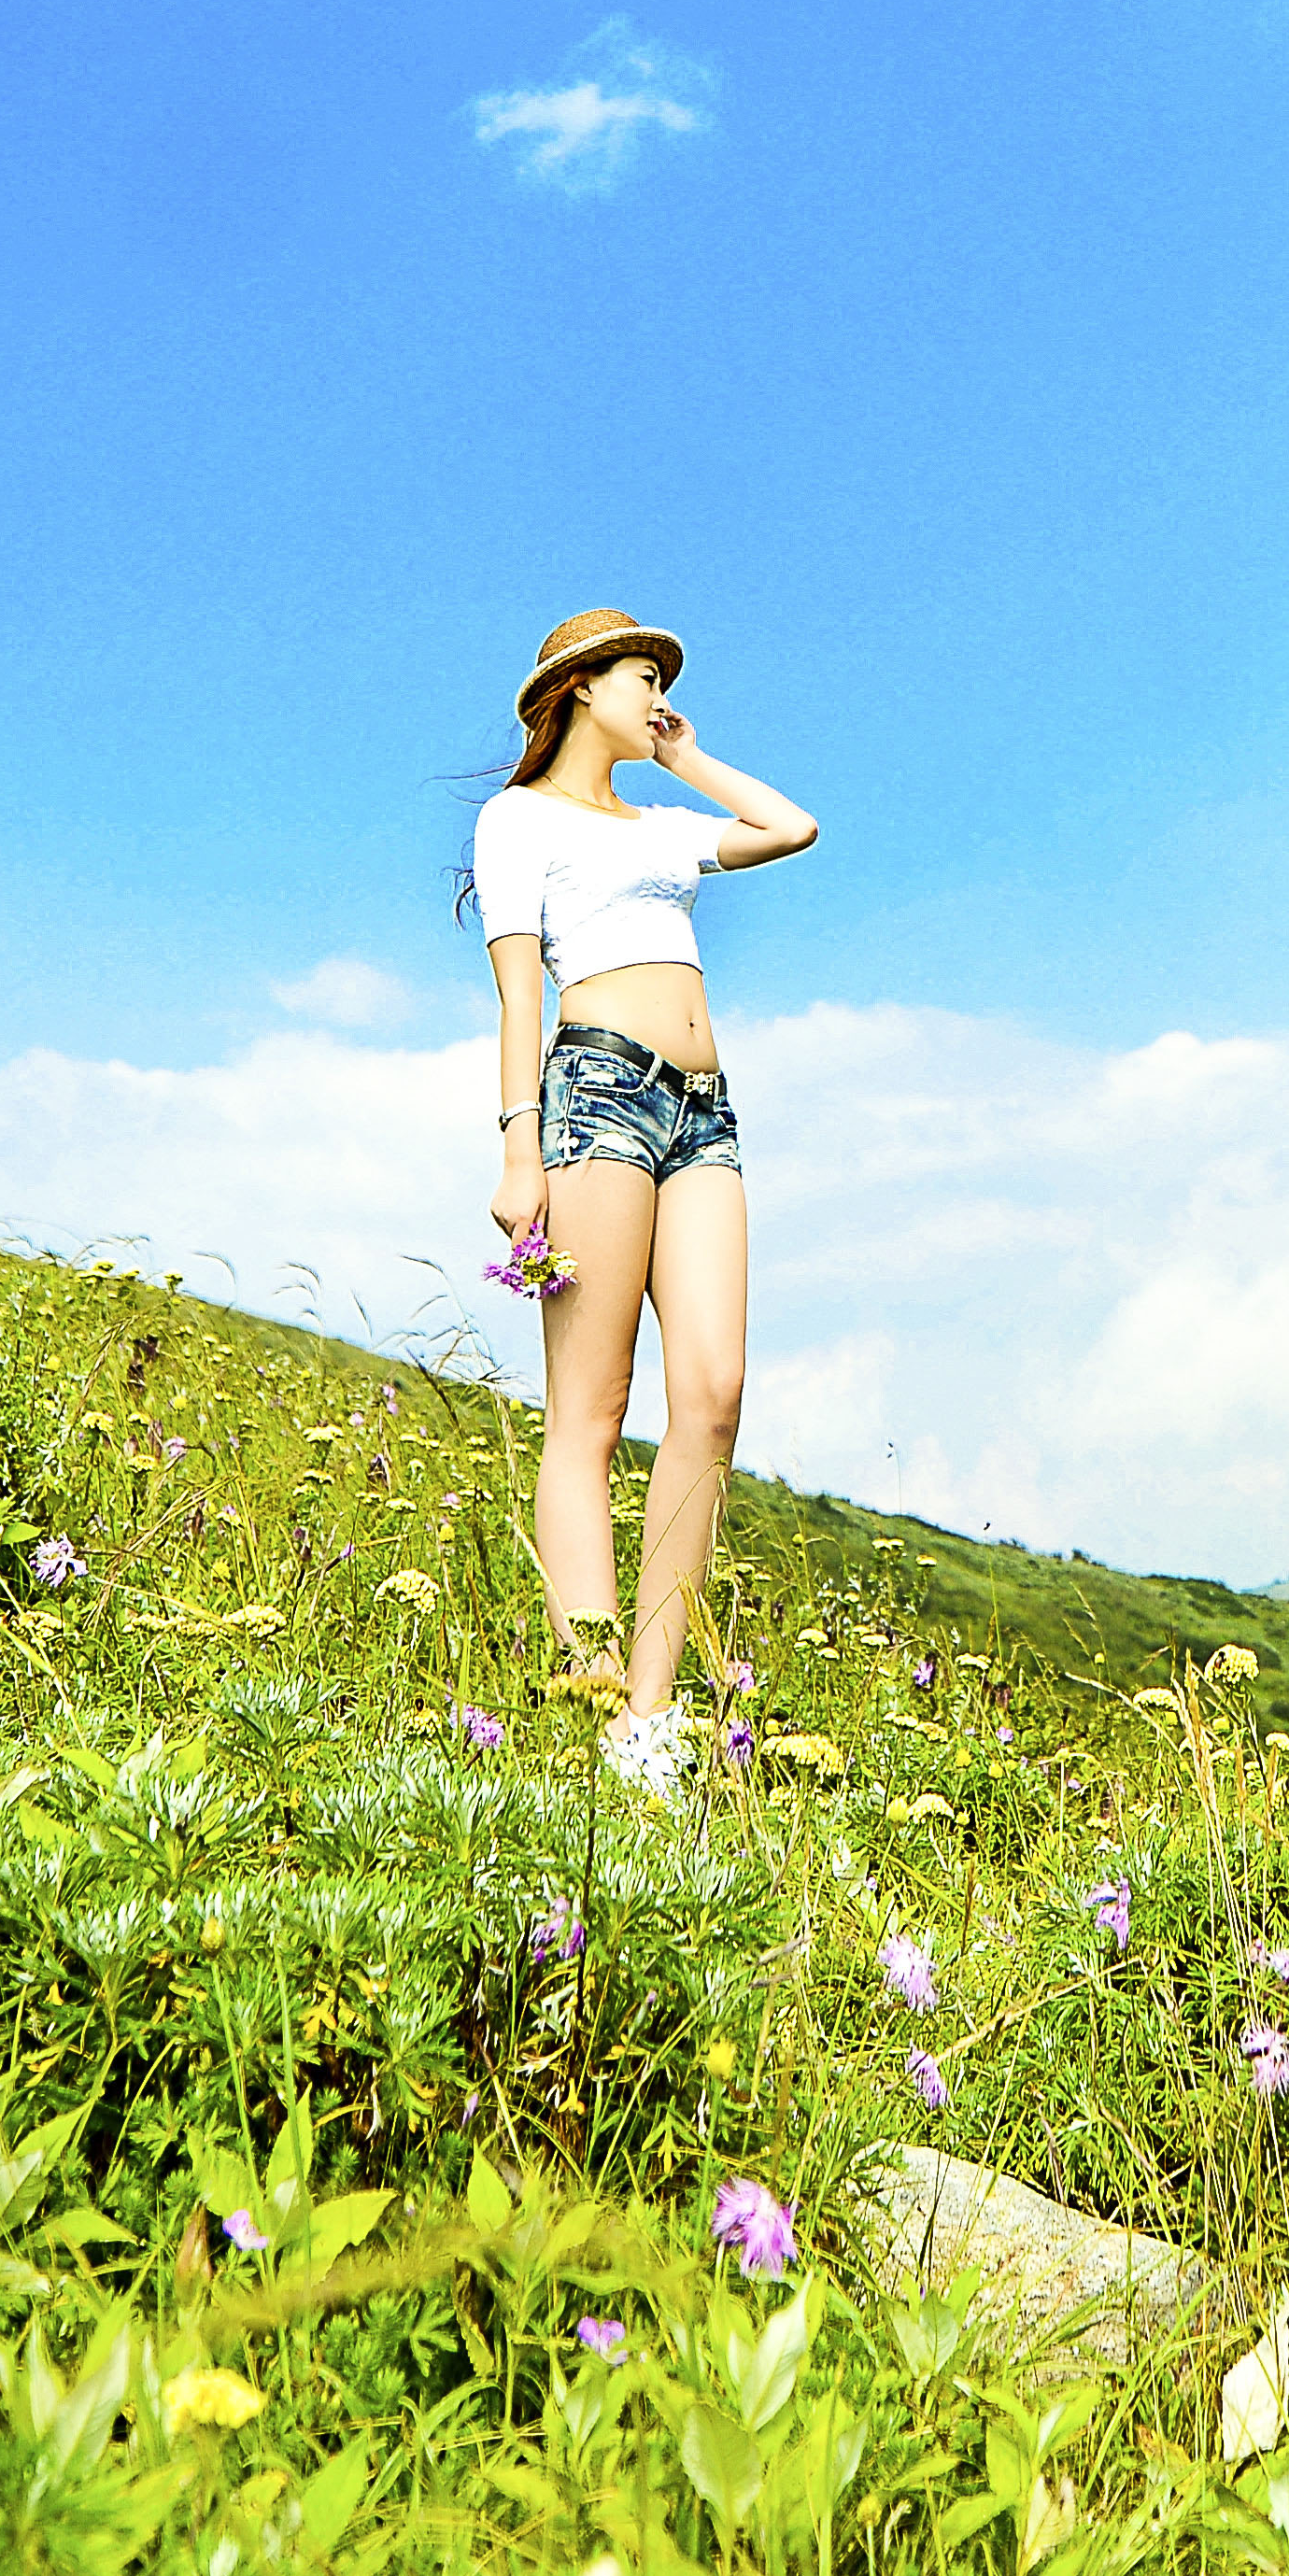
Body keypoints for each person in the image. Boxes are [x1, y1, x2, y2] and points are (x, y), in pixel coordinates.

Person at [469, 606, 817, 1799]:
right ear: (576, 690)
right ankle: (597, 1699)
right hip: (595, 1096)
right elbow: (520, 994)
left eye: (663, 674)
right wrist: (521, 1152)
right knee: (593, 1407)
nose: (657, 683)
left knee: (712, 1397)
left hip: (702, 1112)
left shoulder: (664, 823)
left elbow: (791, 826)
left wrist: (680, 751)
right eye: (639, 672)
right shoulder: (517, 819)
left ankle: (653, 1722)